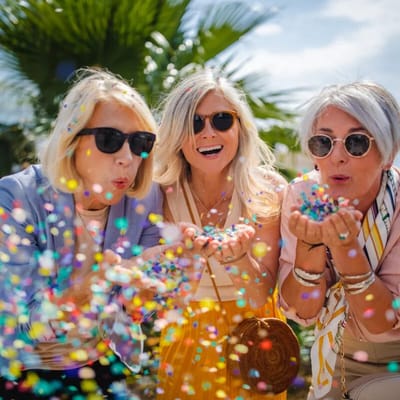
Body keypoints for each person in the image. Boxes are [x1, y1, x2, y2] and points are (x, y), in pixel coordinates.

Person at [0, 67, 167, 399]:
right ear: (71, 141)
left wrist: (143, 297)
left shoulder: (145, 199)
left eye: (140, 142)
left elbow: (135, 308)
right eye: (110, 139)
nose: (127, 158)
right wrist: (76, 296)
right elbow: (15, 319)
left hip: (103, 364)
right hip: (25, 374)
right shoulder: (17, 196)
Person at [153, 68, 288, 399]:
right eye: (194, 123)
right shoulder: (157, 194)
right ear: (176, 133)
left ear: (240, 127)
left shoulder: (269, 190)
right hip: (185, 346)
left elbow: (259, 295)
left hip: (259, 346)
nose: (208, 133)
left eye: (222, 120)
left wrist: (237, 259)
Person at [278, 81, 400, 399]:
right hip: (335, 358)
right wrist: (309, 247)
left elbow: (383, 323)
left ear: (388, 154)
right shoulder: (303, 195)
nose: (337, 157)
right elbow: (299, 312)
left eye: (356, 142)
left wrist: (346, 250)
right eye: (323, 143)